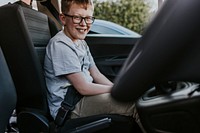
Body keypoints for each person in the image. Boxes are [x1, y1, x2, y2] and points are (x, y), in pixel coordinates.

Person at [44, 0, 141, 130]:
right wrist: (117, 91)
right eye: (77, 18)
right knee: (135, 104)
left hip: (82, 98)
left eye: (88, 18)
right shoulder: (60, 45)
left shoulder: (81, 43)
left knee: (138, 98)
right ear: (63, 18)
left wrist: (116, 88)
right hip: (70, 107)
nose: (84, 24)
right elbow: (83, 88)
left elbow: (96, 74)